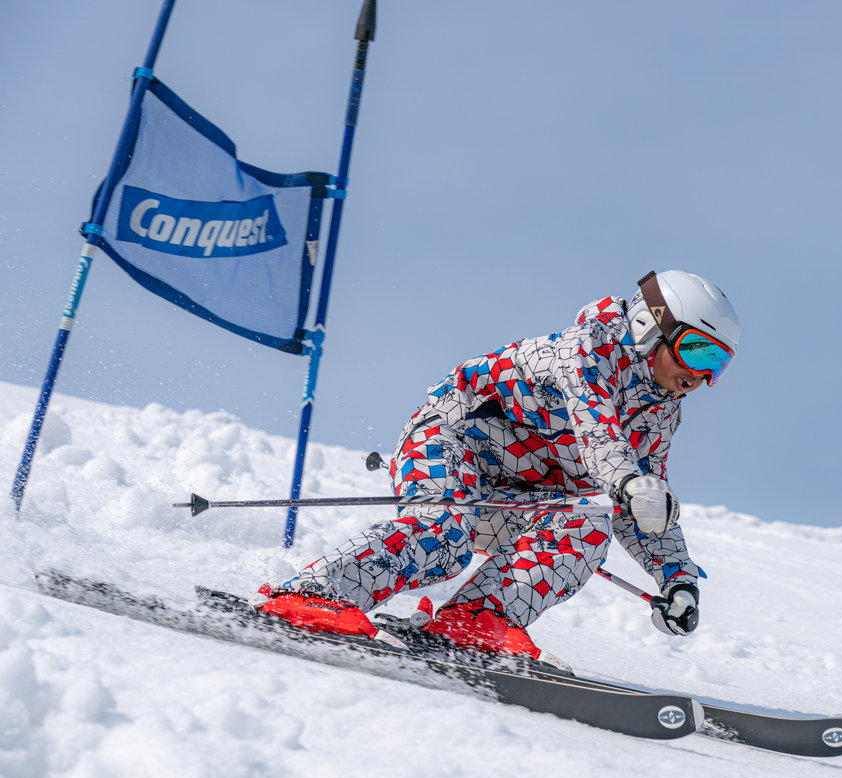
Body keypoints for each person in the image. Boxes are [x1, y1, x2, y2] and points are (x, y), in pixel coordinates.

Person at [253, 270, 740, 668]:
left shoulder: (660, 413)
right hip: (451, 443)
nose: (701, 376)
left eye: (717, 364)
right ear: (652, 326)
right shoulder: (583, 352)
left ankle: (476, 620)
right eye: (697, 350)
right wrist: (630, 480)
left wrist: (677, 579)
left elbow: (644, 501)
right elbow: (597, 432)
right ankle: (312, 595)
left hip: (520, 494)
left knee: (589, 523)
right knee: (443, 534)